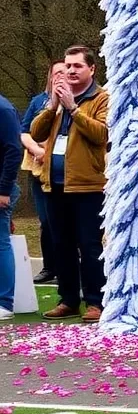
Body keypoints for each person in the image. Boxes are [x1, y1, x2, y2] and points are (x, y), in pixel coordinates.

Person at [30, 45, 108, 322]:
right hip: (54, 184)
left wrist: (73, 109)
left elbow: (101, 134)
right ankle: (69, 300)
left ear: (91, 69)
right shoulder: (55, 99)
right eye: (67, 66)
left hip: (87, 185)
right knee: (60, 244)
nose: (71, 71)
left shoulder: (101, 98)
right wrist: (53, 107)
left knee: (89, 246)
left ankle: (96, 301)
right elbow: (36, 132)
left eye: (77, 66)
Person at [20, 61, 64, 284]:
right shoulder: (38, 101)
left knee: (67, 222)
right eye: (56, 72)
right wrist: (37, 150)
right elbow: (24, 131)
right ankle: (49, 267)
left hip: (66, 172)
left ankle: (70, 268)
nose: (60, 76)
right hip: (39, 171)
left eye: (65, 72)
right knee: (46, 221)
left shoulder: (77, 103)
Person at [0, 91, 23, 321]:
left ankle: (4, 302)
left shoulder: (3, 109)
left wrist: (4, 190)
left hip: (0, 188)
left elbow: (13, 150)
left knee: (0, 242)